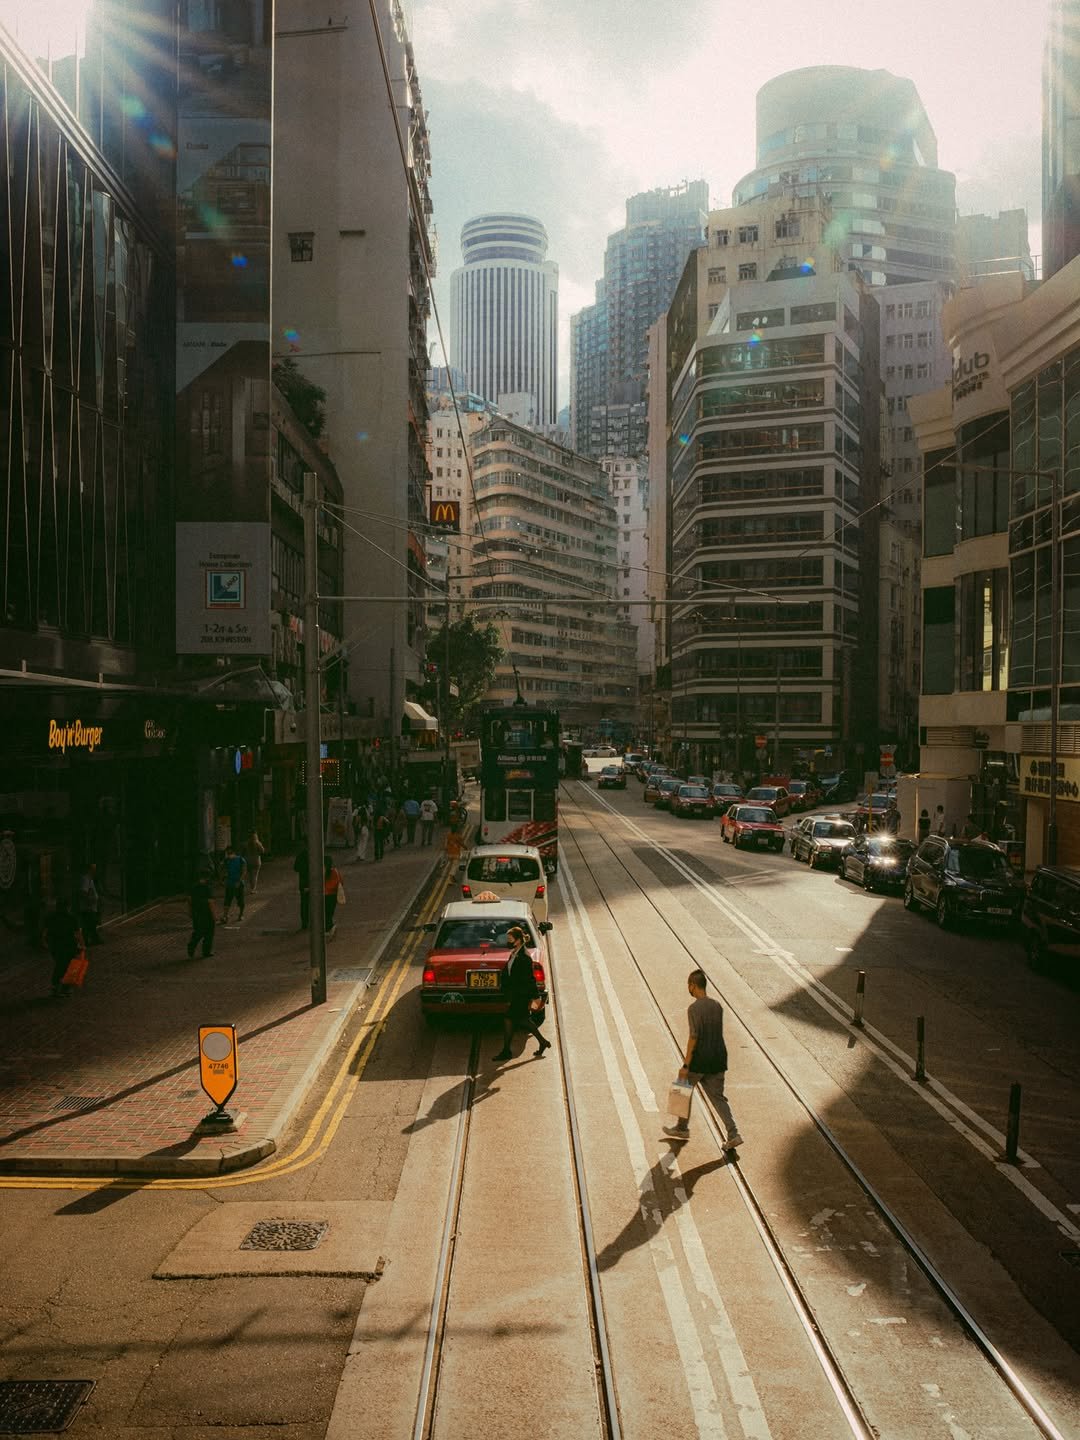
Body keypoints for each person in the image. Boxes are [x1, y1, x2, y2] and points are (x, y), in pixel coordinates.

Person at [663, 969, 743, 1153]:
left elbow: (694, 1036)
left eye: (688, 985)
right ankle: (733, 1134)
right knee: (718, 1098)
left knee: (682, 1084)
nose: (688, 988)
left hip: (701, 1058)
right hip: (718, 1058)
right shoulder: (717, 1006)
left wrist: (685, 1064)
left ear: (693, 985)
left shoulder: (694, 1009)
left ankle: (682, 1128)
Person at [492, 926, 551, 1062]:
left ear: (518, 940)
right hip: (516, 994)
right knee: (523, 1020)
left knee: (509, 1019)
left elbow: (530, 979)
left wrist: (536, 997)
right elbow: (509, 972)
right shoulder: (515, 953)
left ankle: (506, 1051)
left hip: (521, 996)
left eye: (510, 939)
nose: (508, 941)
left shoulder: (524, 957)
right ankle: (542, 1042)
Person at [46, 898, 83, 998]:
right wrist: (81, 944)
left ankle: (57, 986)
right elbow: (78, 933)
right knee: (67, 966)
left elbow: (47, 932)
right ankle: (64, 987)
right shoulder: (71, 918)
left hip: (57, 945)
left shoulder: (52, 918)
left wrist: (47, 944)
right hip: (68, 945)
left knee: (60, 965)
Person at [187, 869, 216, 959]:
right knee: (209, 933)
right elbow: (210, 902)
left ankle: (192, 944)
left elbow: (189, 899)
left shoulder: (194, 887)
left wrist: (190, 912)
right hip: (206, 913)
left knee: (198, 930)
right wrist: (214, 915)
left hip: (196, 912)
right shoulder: (208, 888)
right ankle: (206, 951)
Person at [222, 846, 247, 923]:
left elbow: (244, 871)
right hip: (231, 883)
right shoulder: (227, 860)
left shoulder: (240, 859)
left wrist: (239, 881)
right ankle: (226, 916)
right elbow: (224, 871)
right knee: (228, 900)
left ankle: (240, 914)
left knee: (239, 901)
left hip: (237, 884)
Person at [78, 863, 102, 945]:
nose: (95, 871)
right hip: (88, 908)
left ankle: (90, 940)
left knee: (90, 924)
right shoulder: (86, 879)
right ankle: (90, 940)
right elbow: (83, 893)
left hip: (91, 907)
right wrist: (89, 901)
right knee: (89, 924)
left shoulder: (90, 879)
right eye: (93, 869)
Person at [323, 855, 345, 939]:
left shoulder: (323, 872)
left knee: (326, 913)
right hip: (333, 895)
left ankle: (330, 928)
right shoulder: (334, 871)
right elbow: (340, 882)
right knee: (329, 913)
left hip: (325, 894)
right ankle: (330, 928)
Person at [294, 844, 310, 929]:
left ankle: (304, 922)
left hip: (303, 882)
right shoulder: (314, 854)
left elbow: (295, 868)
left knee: (304, 903)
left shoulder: (300, 856)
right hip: (313, 881)